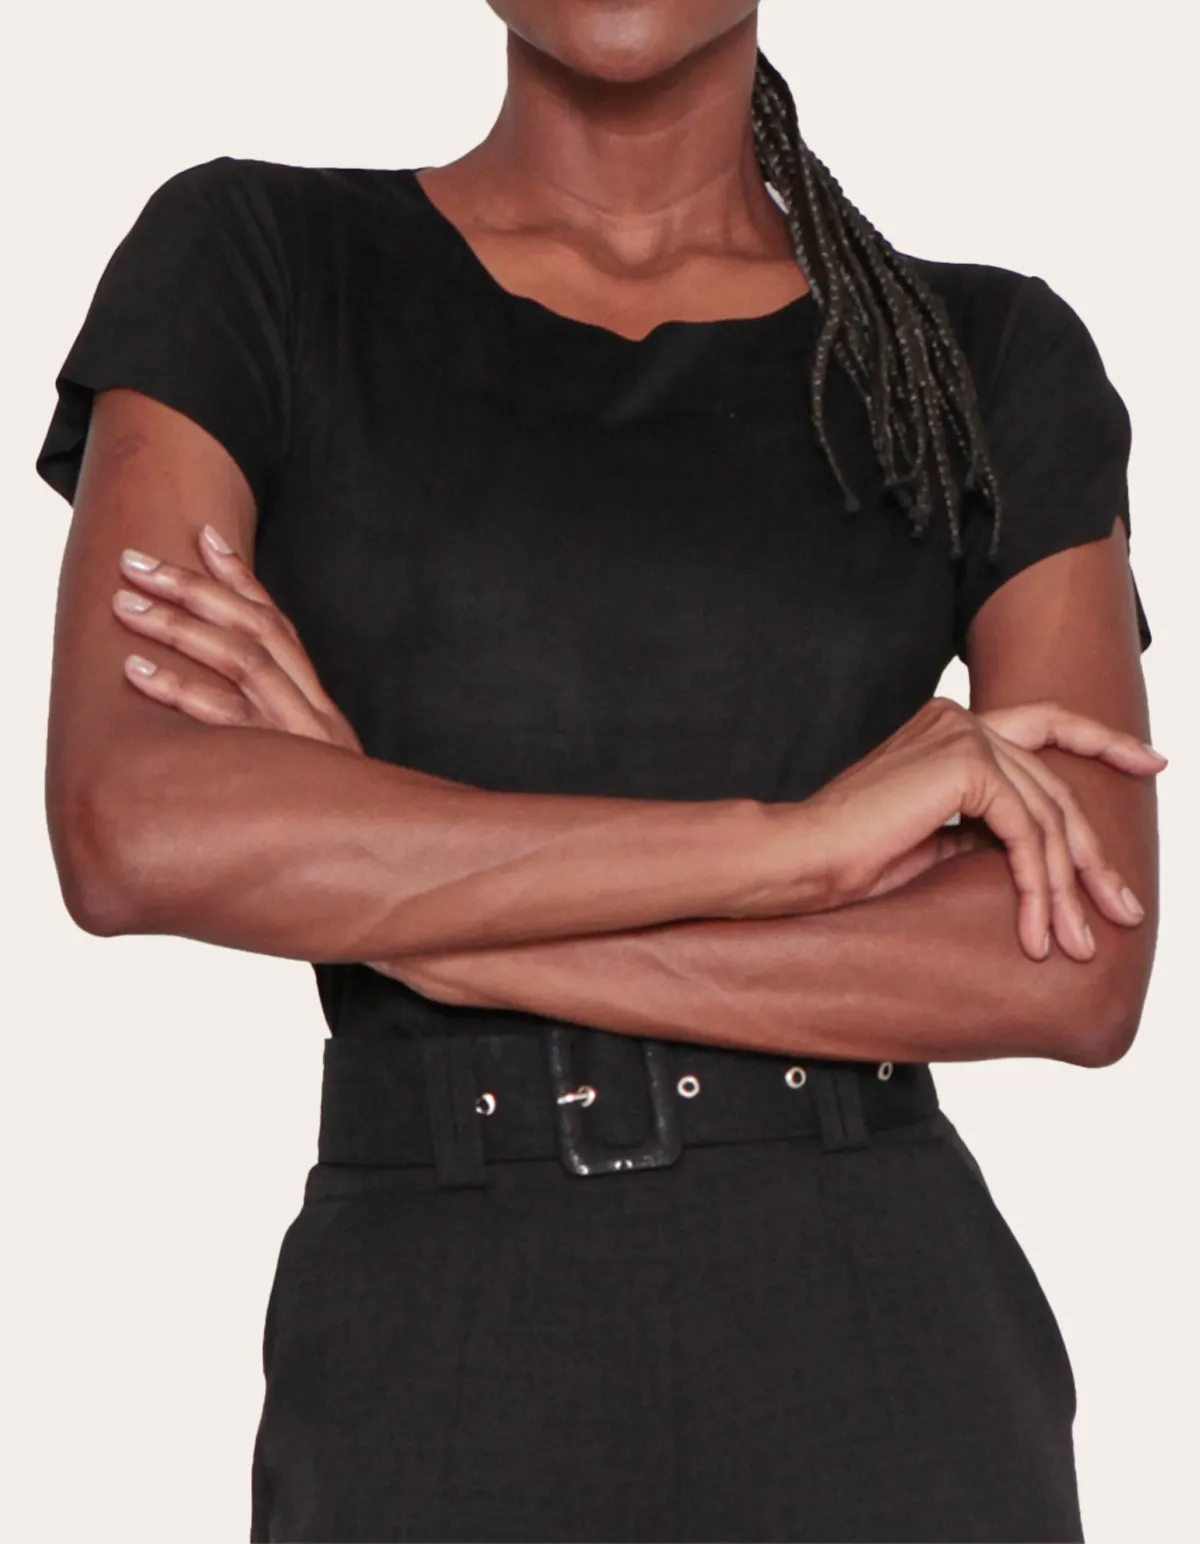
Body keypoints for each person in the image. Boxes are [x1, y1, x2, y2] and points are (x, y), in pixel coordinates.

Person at [36, 2, 1161, 1540]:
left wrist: (417, 914)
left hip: (877, 1349)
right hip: (435, 1335)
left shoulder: (987, 353)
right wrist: (796, 848)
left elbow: (1075, 960)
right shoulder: (259, 260)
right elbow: (133, 828)